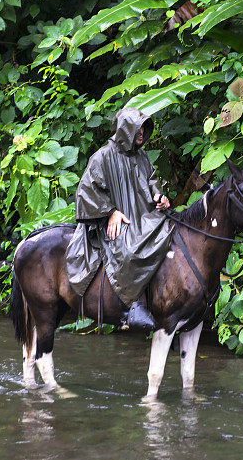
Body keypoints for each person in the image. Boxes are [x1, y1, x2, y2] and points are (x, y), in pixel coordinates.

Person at [65, 108, 174, 331]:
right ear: (126, 128)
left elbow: (152, 181)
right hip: (116, 220)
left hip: (143, 217)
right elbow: (87, 192)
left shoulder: (142, 156)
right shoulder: (102, 156)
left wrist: (159, 196)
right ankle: (133, 306)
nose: (142, 132)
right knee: (130, 249)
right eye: (138, 127)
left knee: (171, 232)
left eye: (144, 127)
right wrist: (110, 212)